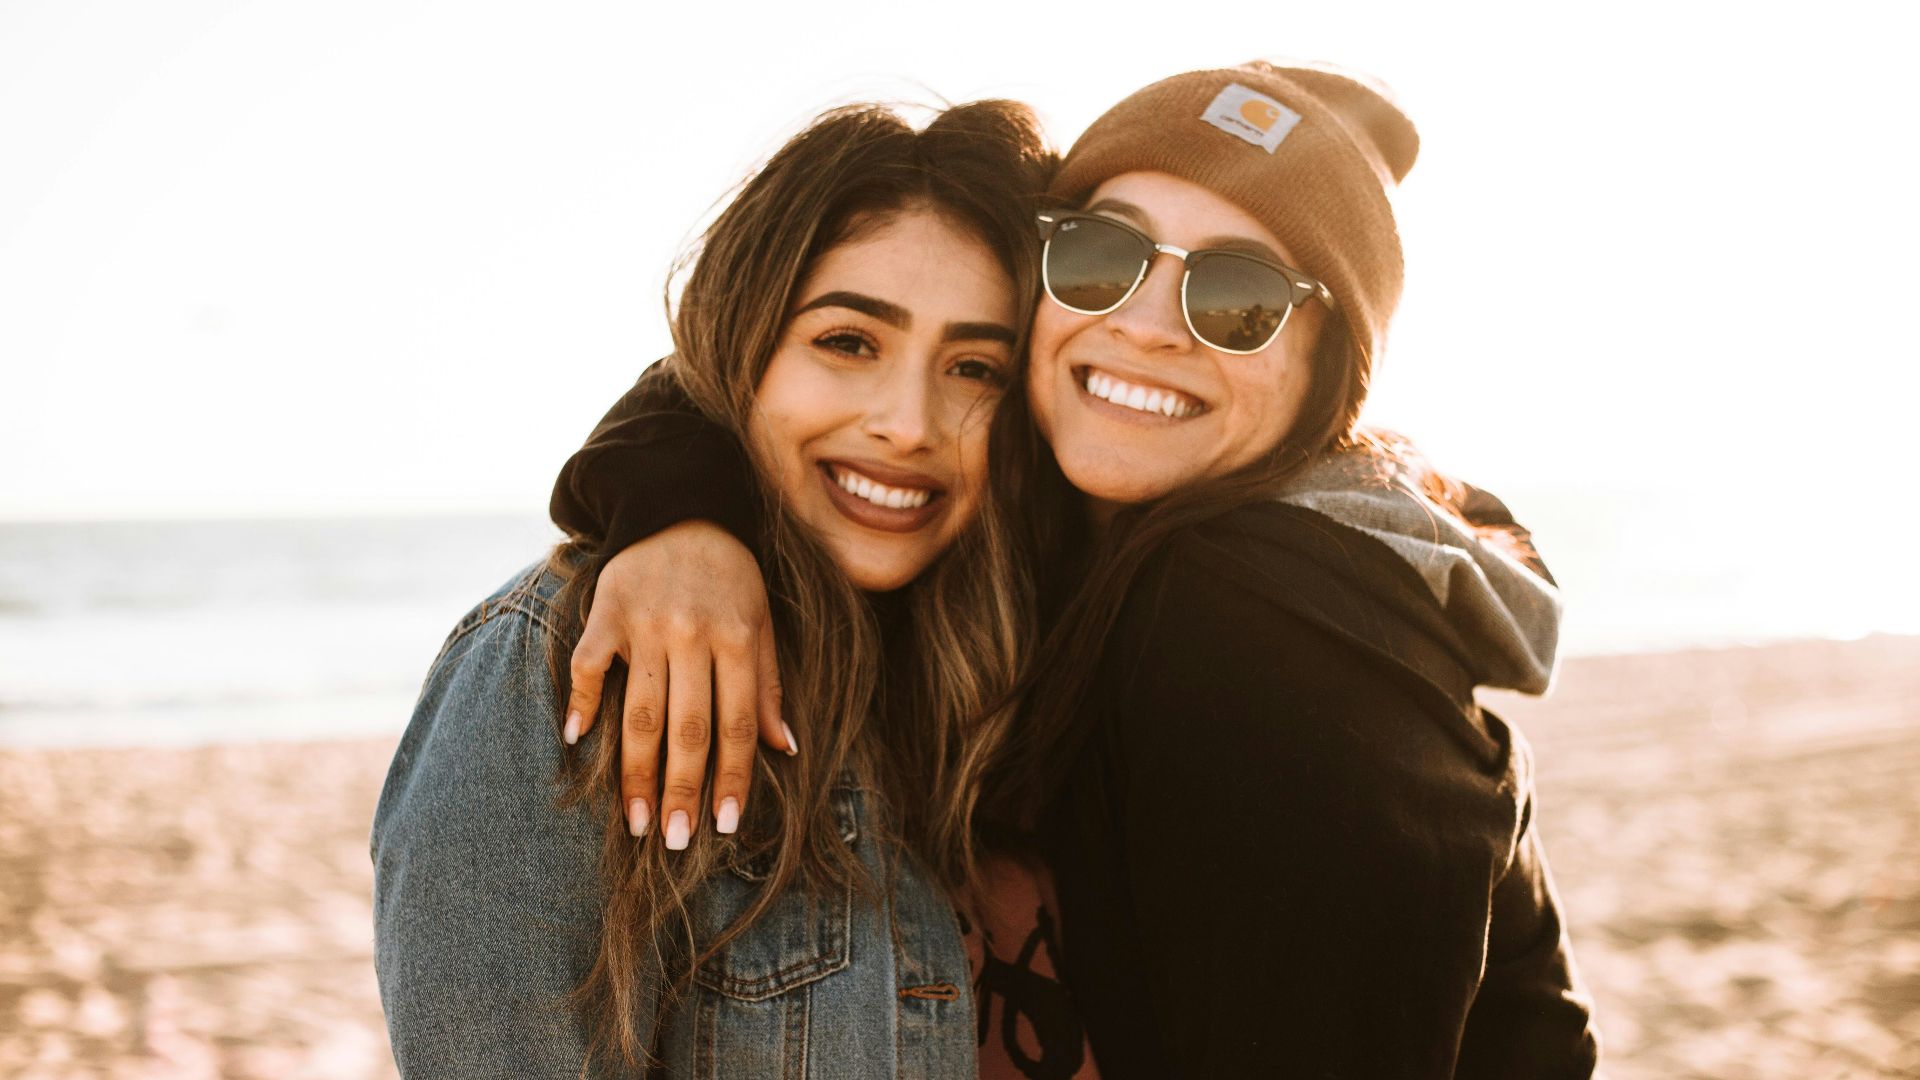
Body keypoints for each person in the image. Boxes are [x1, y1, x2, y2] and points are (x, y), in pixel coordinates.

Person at [546, 62, 1602, 1077]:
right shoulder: (1060, 509)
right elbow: (758, 355)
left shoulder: (1259, 615)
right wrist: (684, 519)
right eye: (1103, 255)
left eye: (1239, 298)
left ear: (1328, 370)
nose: (1144, 325)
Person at [370, 99, 1096, 1078]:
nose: (910, 423)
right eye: (848, 342)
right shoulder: (557, 668)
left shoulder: (1015, 666)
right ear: (742, 350)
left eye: (974, 367)